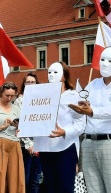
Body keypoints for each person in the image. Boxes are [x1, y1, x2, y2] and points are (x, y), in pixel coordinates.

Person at [69, 47, 111, 193]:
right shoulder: (93, 84)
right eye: (102, 60)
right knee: (93, 190)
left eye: (110, 61)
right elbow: (81, 104)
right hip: (89, 142)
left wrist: (92, 111)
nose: (104, 64)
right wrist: (81, 106)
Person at [34, 62, 85, 193]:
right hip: (45, 148)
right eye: (49, 72)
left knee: (65, 188)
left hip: (65, 148)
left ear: (64, 76)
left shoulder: (74, 96)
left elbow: (81, 124)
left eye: (55, 72)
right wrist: (24, 128)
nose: (51, 75)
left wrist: (64, 132)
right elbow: (35, 119)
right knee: (49, 188)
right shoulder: (41, 95)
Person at [0, 81, 24, 193]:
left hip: (15, 143)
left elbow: (23, 129)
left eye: (12, 95)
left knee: (16, 177)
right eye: (7, 95)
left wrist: (18, 127)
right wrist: (3, 126)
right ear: (1, 93)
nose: (9, 98)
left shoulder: (16, 108)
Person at [18, 72, 41, 193]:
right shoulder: (20, 101)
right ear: (24, 84)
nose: (31, 84)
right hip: (25, 147)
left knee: (35, 180)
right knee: (24, 180)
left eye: (33, 82)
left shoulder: (42, 100)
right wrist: (29, 144)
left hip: (39, 146)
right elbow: (21, 124)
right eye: (28, 82)